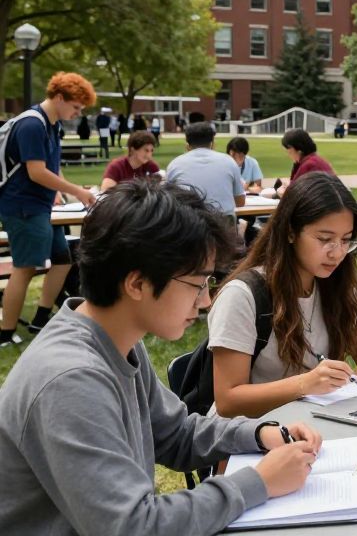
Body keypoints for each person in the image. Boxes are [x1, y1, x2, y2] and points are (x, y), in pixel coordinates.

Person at [0, 179, 323, 535]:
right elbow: (133, 526)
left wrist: (260, 434)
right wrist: (258, 483)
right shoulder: (70, 380)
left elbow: (176, 434)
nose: (205, 301)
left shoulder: (117, 338)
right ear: (137, 284)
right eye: (197, 284)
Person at [208, 173, 357, 418]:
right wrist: (304, 385)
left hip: (311, 425)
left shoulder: (337, 286)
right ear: (290, 232)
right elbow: (228, 401)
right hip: (249, 434)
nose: (337, 253)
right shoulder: (243, 296)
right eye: (325, 239)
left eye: (346, 240)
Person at [0, 72, 98, 347]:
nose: (77, 113)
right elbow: (36, 172)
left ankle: (41, 318)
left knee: (62, 259)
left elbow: (51, 168)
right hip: (23, 206)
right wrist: (76, 191)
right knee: (25, 268)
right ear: (58, 97)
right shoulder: (32, 124)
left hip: (41, 207)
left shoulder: (51, 124)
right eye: (76, 107)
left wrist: (62, 188)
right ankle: (5, 334)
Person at [166, 123, 244, 221]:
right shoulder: (229, 161)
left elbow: (169, 202)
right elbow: (240, 202)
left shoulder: (175, 164)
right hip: (224, 225)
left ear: (187, 145)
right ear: (212, 143)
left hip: (189, 225)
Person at [278, 129, 335, 196]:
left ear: (299, 150)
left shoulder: (309, 164)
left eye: (289, 151)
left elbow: (294, 194)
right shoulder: (315, 160)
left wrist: (280, 192)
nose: (288, 154)